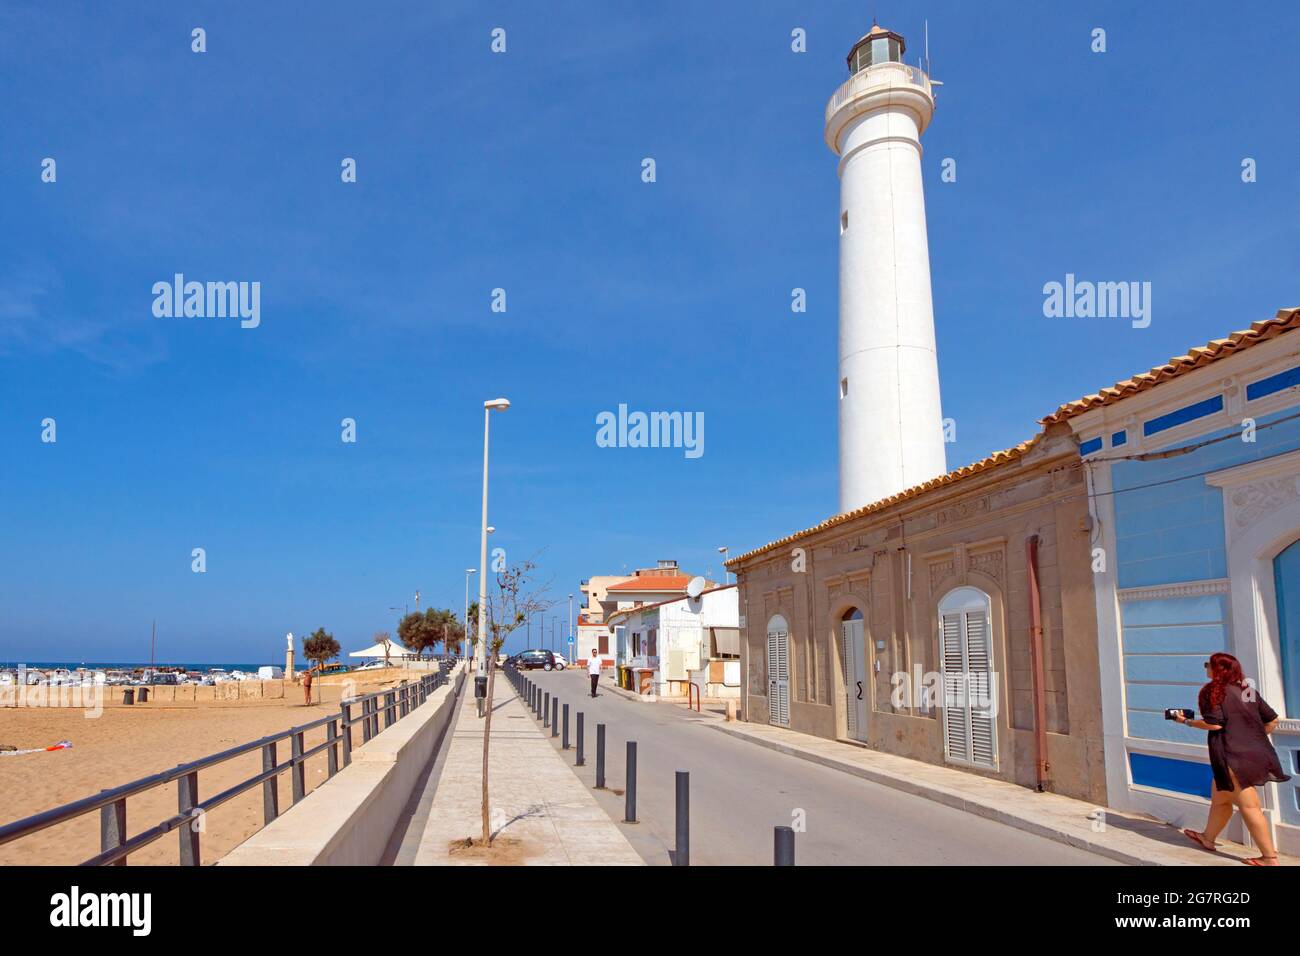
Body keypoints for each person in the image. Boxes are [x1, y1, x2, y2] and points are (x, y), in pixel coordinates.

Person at [1177, 652, 1290, 865]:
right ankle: (1207, 838)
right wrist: (1251, 738)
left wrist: (1186, 722)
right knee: (1221, 799)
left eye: (1208, 665)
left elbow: (1215, 724)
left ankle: (1269, 858)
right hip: (1254, 754)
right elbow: (1272, 721)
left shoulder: (1212, 692)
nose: (1206, 668)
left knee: (1250, 806)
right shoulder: (1247, 690)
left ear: (1217, 669)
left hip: (1231, 757)